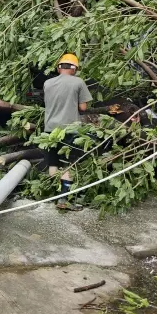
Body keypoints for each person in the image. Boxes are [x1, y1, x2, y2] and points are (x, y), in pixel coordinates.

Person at [43, 53, 92, 211]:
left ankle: (54, 194)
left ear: (58, 68)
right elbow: (83, 107)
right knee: (67, 165)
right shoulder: (78, 82)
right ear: (74, 68)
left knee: (53, 162)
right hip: (68, 130)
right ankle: (63, 199)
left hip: (50, 129)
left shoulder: (47, 83)